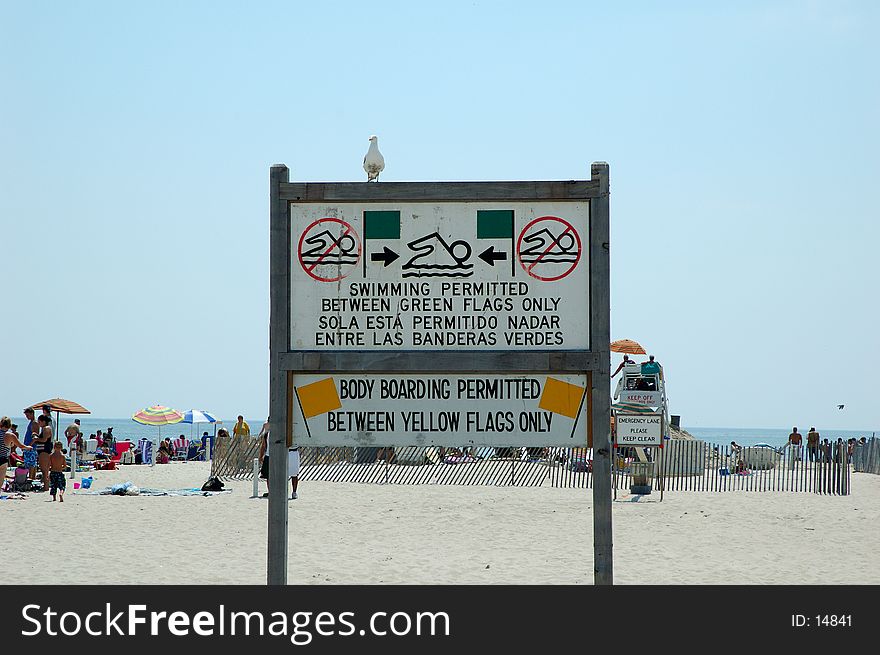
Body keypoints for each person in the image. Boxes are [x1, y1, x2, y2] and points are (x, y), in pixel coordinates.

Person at [1, 417, 33, 489]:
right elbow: (21, 446)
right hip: (3, 459)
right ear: (9, 425)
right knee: (1, 481)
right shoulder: (10, 435)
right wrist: (28, 447)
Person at [34, 415, 54, 491]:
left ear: (43, 421)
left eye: (39, 422)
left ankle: (46, 487)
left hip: (44, 451)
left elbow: (44, 440)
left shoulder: (46, 428)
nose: (38, 424)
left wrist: (36, 439)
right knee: (45, 470)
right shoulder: (45, 428)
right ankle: (46, 486)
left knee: (44, 470)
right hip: (43, 450)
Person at [22, 407, 39, 480]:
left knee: (31, 464)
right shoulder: (32, 422)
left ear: (32, 414)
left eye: (28, 415)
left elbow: (35, 436)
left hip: (31, 447)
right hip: (29, 446)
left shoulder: (34, 423)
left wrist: (29, 445)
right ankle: (32, 478)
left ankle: (31, 478)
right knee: (32, 463)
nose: (27, 417)